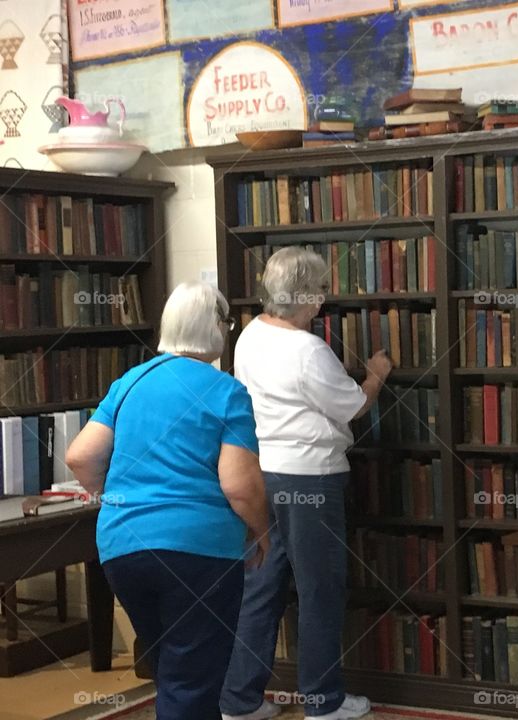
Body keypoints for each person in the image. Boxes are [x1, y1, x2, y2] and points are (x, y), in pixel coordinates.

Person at [66, 282, 271, 720]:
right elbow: (239, 485)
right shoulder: (225, 391)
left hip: (123, 548)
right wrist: (263, 531)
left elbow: (80, 455)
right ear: (214, 327)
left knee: (173, 670)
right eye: (226, 322)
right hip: (199, 552)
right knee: (193, 678)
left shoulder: (130, 382)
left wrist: (118, 497)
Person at [221, 247, 392, 720]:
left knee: (262, 586)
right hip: (310, 479)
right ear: (305, 297)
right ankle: (322, 702)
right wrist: (375, 376)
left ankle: (239, 701)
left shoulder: (250, 335)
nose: (322, 300)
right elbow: (353, 406)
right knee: (320, 589)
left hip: (261, 472)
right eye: (319, 290)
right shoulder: (307, 349)